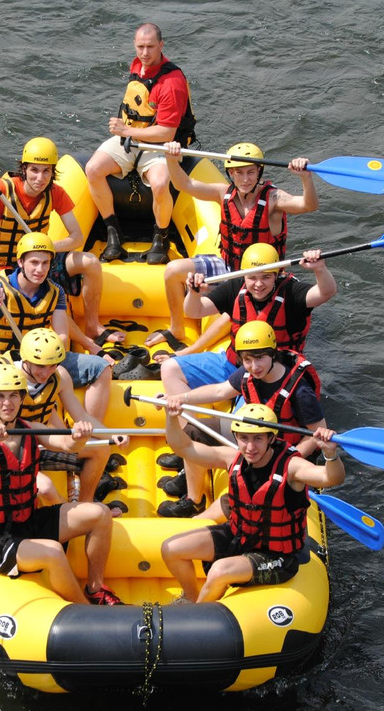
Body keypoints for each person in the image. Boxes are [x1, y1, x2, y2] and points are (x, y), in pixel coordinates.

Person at [0, 364, 123, 605]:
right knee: (53, 551)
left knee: (100, 513)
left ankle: (95, 588)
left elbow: (66, 445)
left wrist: (79, 437)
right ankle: (88, 612)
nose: (7, 403)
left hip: (29, 520)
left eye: (14, 395)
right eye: (0, 396)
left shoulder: (29, 428)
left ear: (22, 398)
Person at [159, 401, 344, 603]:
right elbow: (183, 447)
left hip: (278, 557)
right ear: (236, 437)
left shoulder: (292, 467)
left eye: (258, 439)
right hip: (242, 537)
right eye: (244, 438)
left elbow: (331, 478)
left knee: (219, 571)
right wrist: (171, 415)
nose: (250, 447)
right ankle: (191, 597)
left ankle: (195, 618)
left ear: (271, 438)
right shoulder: (232, 458)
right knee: (171, 548)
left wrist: (330, 454)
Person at [145, 141, 318, 353]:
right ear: (230, 174)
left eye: (250, 172)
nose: (245, 179)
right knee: (172, 271)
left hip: (258, 275)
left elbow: (308, 205)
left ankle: (190, 351)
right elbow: (185, 185)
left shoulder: (273, 198)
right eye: (239, 173)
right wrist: (171, 158)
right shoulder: (223, 193)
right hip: (227, 266)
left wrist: (305, 177)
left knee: (235, 308)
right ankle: (176, 328)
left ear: (258, 172)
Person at [0, 136, 119, 343]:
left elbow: (76, 237)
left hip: (39, 260)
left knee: (90, 263)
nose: (40, 178)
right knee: (46, 292)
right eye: (34, 170)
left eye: (46, 171)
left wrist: (44, 247)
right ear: (24, 169)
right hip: (5, 268)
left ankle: (92, 325)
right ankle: (87, 344)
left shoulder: (55, 193)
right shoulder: (0, 190)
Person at [157, 320, 326, 518]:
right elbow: (220, 391)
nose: (254, 366)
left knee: (250, 490)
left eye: (260, 358)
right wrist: (180, 398)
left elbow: (316, 435)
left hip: (283, 449)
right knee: (194, 431)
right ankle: (194, 500)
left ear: (272, 353)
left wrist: (285, 462)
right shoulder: (248, 372)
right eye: (247, 360)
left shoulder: (299, 390)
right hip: (254, 436)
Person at [0, 328, 126, 515]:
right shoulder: (2, 375)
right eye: (40, 366)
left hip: (40, 441)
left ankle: (86, 503)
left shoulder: (60, 376)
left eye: (52, 365)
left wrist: (113, 434)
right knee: (45, 488)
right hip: (11, 448)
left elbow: (81, 415)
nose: (46, 372)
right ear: (27, 360)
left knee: (101, 449)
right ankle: (73, 517)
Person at [0, 232, 113, 420]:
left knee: (100, 368)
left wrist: (44, 361)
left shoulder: (55, 291)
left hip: (43, 358)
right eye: (34, 263)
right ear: (20, 263)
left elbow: (62, 336)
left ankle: (90, 434)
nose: (39, 269)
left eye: (45, 263)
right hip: (6, 364)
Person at [159, 242, 337, 398]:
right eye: (252, 277)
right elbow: (194, 311)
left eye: (266, 277)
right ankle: (189, 429)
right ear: (244, 274)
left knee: (249, 422)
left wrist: (319, 269)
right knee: (169, 368)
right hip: (232, 364)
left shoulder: (291, 293)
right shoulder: (236, 287)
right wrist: (194, 293)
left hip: (267, 374)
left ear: (277, 274)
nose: (258, 284)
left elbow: (325, 293)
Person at [84, 22, 197, 264]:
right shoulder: (139, 66)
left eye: (150, 47)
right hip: (131, 137)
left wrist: (125, 130)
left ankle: (161, 237)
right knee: (93, 169)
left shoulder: (172, 82)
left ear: (161, 45)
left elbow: (167, 132)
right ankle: (113, 231)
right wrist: (126, 132)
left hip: (159, 144)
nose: (145, 53)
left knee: (159, 183)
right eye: (140, 47)